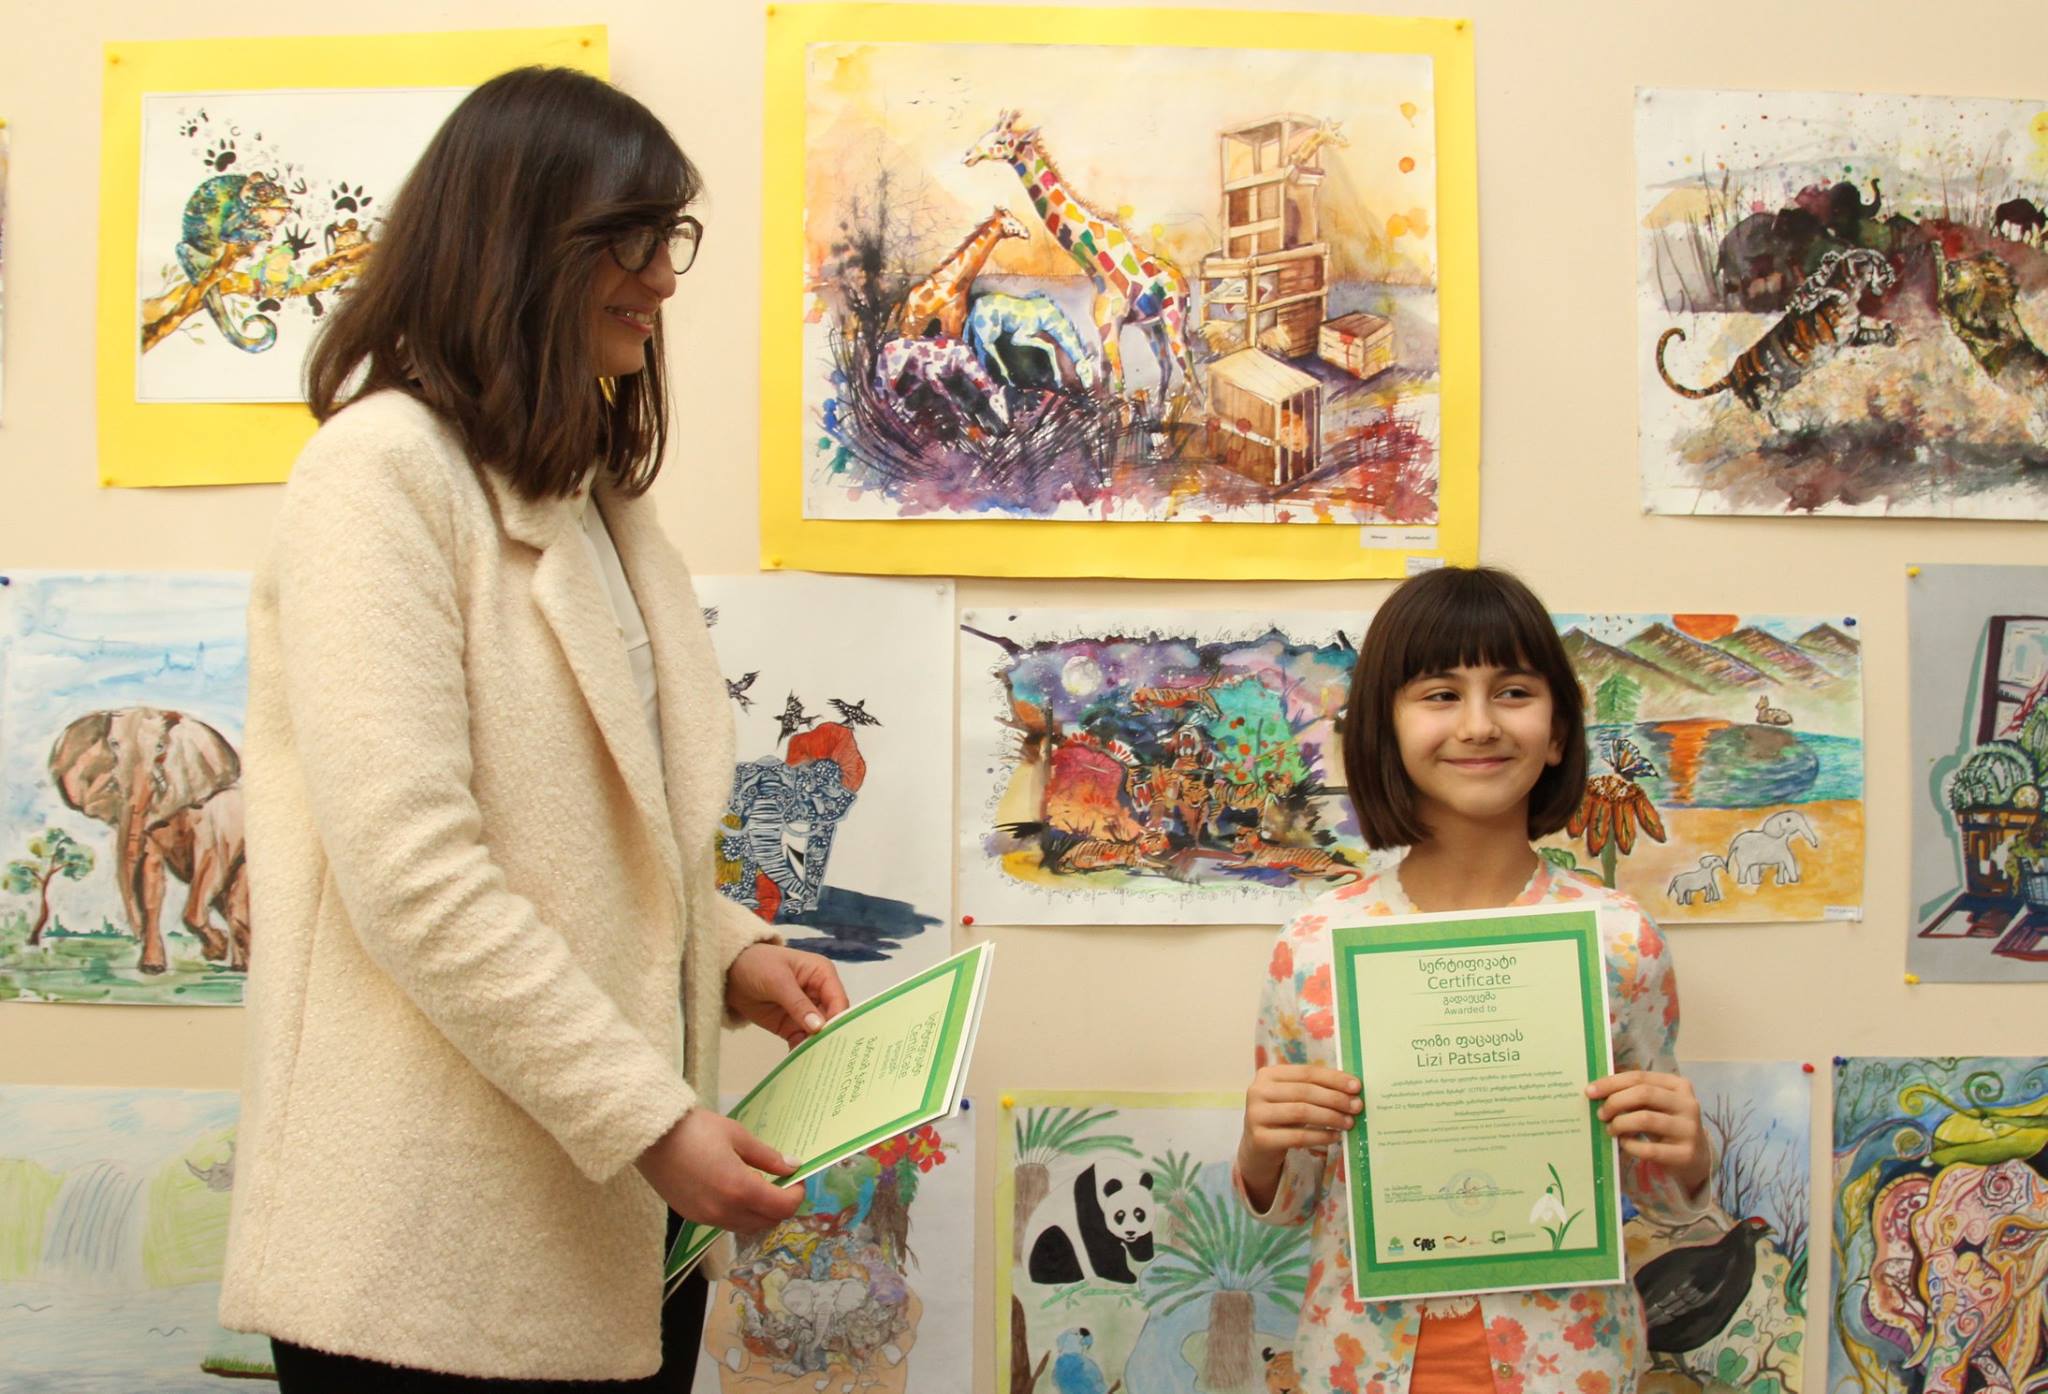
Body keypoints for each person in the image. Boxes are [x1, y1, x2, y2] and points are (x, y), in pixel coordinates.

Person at [219, 67, 847, 1390]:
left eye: (671, 237)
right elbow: (415, 874)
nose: (662, 278)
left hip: (607, 1212)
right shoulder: (377, 472)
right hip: (431, 1248)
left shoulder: (590, 492)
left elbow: (586, 835)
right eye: (632, 238)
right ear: (515, 240)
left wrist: (729, 951)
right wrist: (654, 1118)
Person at [1234, 566, 1714, 1393]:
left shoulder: (1619, 939)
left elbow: (1662, 1196)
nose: (1480, 723)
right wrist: (1260, 1145)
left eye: (1514, 692)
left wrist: (1690, 1151)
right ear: (1384, 728)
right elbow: (1294, 1202)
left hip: (1571, 1359)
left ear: (1557, 731)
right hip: (1361, 1359)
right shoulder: (1313, 946)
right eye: (1440, 694)